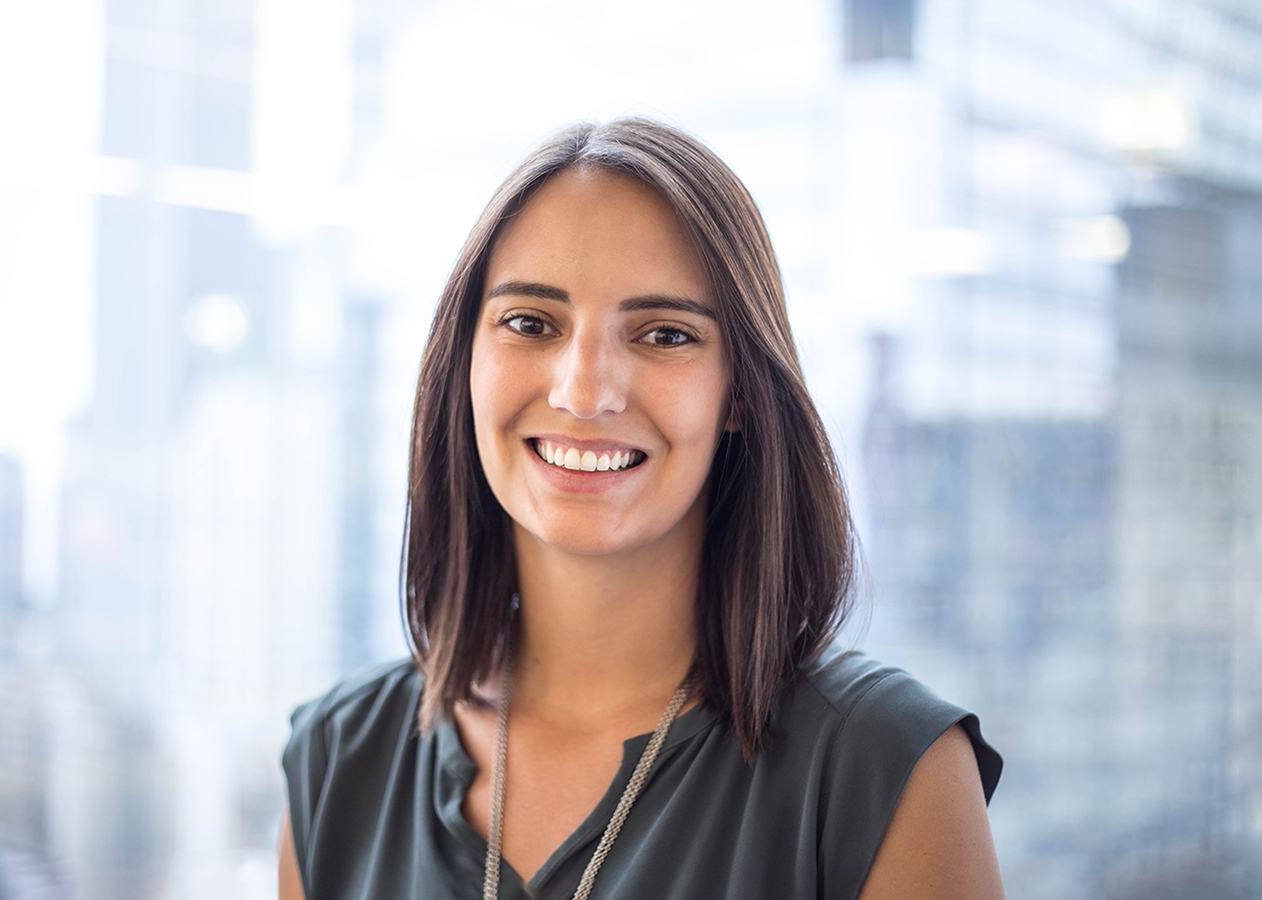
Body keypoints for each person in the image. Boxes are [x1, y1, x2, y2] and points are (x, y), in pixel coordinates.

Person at [278, 118, 1005, 900]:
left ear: (740, 394)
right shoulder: (338, 758)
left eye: (664, 334)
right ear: (465, 362)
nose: (584, 392)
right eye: (530, 323)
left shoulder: (884, 767)